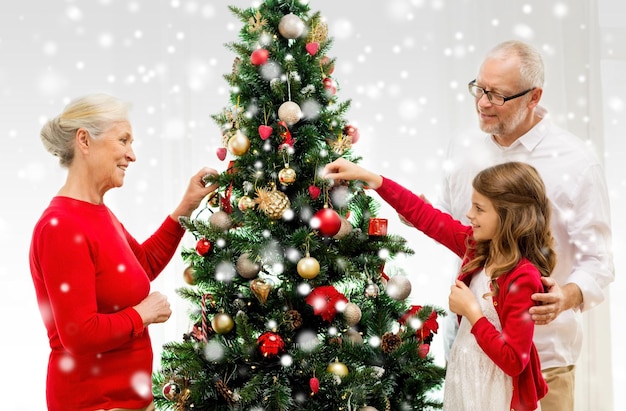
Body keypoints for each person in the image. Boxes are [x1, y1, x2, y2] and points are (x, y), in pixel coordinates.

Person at [437, 40, 614, 411]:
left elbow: (599, 262)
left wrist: (567, 295)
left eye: (497, 95)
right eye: (479, 89)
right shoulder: (463, 146)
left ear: (534, 97)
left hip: (542, 365)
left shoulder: (576, 162)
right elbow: (459, 232)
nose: (483, 103)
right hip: (469, 357)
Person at [29, 93, 219, 411]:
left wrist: (187, 205)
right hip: (94, 403)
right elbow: (79, 334)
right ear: (84, 141)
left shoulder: (97, 213)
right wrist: (142, 315)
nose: (132, 155)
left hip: (128, 401)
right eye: (123, 140)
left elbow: (140, 266)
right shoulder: (61, 226)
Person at [324, 158, 553, 411]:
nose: (469, 214)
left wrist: (473, 314)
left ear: (508, 217)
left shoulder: (523, 278)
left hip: (496, 395)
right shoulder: (475, 247)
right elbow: (426, 216)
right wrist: (374, 179)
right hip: (465, 381)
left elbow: (513, 361)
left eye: (479, 208)